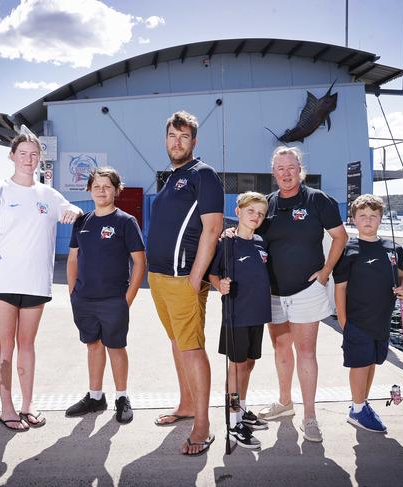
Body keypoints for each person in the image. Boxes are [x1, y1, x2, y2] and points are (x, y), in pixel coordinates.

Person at [0, 132, 82, 431]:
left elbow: (72, 210)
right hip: (1, 279)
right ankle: (7, 408)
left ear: (39, 158)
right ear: (12, 156)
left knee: (27, 345)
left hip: (36, 282)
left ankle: (28, 404)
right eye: (23, 153)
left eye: (34, 154)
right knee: (4, 347)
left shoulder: (48, 194)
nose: (28, 159)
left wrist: (73, 210)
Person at [256, 146, 348, 443]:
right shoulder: (266, 204)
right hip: (272, 292)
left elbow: (340, 236)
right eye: (280, 168)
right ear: (273, 173)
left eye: (291, 167)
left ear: (300, 169)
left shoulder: (317, 200)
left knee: (305, 352)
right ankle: (285, 403)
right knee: (281, 350)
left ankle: (310, 416)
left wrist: (326, 271)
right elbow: (251, 233)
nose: (286, 173)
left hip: (307, 291)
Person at [147, 111, 223, 456]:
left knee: (191, 347)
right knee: (178, 343)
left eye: (184, 137)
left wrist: (195, 276)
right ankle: (186, 405)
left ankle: (203, 424)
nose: (177, 143)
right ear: (165, 139)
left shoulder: (202, 174)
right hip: (159, 278)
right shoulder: (172, 178)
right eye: (172, 136)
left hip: (182, 279)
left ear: (194, 142)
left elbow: (212, 228)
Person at [64, 167, 146, 424]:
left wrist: (127, 300)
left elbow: (139, 263)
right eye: (97, 186)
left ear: (116, 190)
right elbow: (73, 259)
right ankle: (96, 396)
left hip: (114, 300)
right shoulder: (82, 221)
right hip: (84, 299)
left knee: (116, 347)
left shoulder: (126, 222)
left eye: (107, 186)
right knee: (93, 345)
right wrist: (72, 293)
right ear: (89, 189)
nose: (101, 190)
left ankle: (122, 397)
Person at [333, 194, 403, 432]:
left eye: (373, 216)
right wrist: (343, 320)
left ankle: (362, 403)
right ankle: (356, 410)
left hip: (382, 320)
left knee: (372, 362)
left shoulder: (394, 248)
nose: (368, 220)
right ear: (353, 219)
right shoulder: (349, 250)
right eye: (362, 215)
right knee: (360, 364)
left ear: (381, 219)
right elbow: (340, 287)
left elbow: (400, 275)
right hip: (357, 320)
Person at [209, 191, 271, 450]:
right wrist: (219, 285)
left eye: (260, 213)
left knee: (249, 364)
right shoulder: (226, 242)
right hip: (236, 315)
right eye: (250, 211)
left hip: (258, 314)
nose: (255, 216)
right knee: (235, 368)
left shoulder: (261, 243)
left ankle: (242, 409)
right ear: (238, 212)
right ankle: (233, 420)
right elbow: (213, 275)